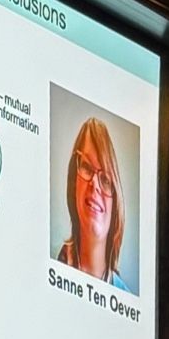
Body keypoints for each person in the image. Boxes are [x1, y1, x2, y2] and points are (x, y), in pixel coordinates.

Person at [56, 116, 131, 293]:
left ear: (116, 205)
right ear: (74, 180)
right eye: (87, 168)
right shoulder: (49, 264)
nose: (95, 185)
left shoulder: (124, 296)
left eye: (105, 179)